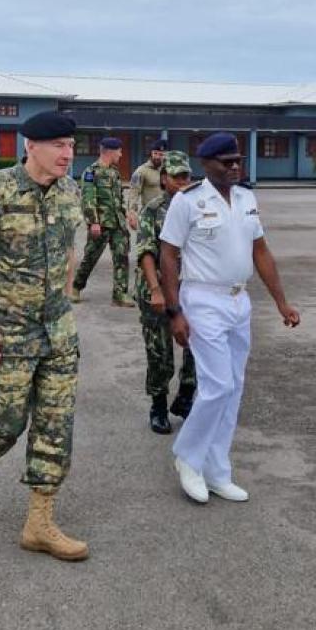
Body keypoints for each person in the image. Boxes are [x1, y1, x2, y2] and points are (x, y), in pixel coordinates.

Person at [0, 111, 89, 560]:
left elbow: (68, 247)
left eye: (71, 145)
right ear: (31, 146)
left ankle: (39, 522)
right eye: (59, 145)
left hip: (58, 332)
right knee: (3, 423)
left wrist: (65, 294)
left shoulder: (71, 191)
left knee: (55, 425)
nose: (68, 154)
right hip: (8, 332)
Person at [159, 132, 299, 504]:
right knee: (217, 385)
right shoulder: (187, 201)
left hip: (239, 300)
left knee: (233, 388)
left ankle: (217, 470)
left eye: (238, 160)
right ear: (206, 164)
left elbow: (260, 251)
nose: (235, 167)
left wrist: (281, 302)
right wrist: (174, 311)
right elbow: (168, 255)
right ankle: (188, 458)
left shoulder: (246, 198)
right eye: (227, 162)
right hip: (203, 299)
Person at [134, 149, 196, 433]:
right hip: (157, 288)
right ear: (163, 178)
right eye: (176, 176)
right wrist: (156, 289)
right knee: (160, 353)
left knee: (196, 347)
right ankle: (158, 406)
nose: (182, 182)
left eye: (186, 176)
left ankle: (185, 398)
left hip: (190, 290)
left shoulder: (198, 207)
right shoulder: (154, 209)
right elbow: (146, 252)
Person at [72, 136, 133, 306]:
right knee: (91, 257)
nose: (121, 155)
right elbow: (88, 199)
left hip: (118, 223)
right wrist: (93, 222)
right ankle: (76, 287)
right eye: (119, 151)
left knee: (121, 257)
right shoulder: (91, 172)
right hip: (101, 224)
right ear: (110, 152)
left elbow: (119, 198)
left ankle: (120, 294)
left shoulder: (115, 172)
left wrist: (126, 214)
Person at [126, 140, 168, 230]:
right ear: (151, 154)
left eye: (161, 154)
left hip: (167, 216)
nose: (157, 157)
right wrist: (132, 213)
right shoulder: (141, 171)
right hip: (149, 216)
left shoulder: (168, 170)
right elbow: (134, 192)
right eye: (155, 153)